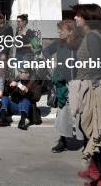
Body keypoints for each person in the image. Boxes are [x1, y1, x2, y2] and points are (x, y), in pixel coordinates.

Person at [70, 4, 101, 186]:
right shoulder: (100, 36)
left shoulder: (92, 36)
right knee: (91, 133)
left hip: (95, 91)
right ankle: (95, 172)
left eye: (78, 16)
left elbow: (95, 68)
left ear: (87, 18)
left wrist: (90, 95)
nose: (75, 18)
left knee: (98, 134)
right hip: (95, 88)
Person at [42, 20, 81, 153]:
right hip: (62, 83)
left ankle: (86, 139)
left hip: (77, 82)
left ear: (70, 31)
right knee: (63, 110)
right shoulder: (59, 43)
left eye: (61, 30)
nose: (59, 33)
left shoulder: (79, 43)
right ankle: (62, 140)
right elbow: (46, 51)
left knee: (80, 111)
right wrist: (52, 63)